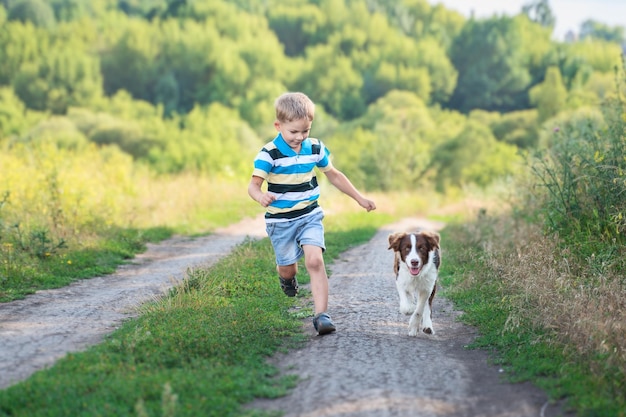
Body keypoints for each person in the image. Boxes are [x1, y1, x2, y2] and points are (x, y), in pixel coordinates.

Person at [248, 92, 376, 335]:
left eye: (305, 131)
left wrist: (360, 198)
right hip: (280, 221)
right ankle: (286, 278)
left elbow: (334, 175)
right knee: (289, 268)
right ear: (279, 125)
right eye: (293, 132)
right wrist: (260, 196)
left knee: (315, 261)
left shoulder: (315, 147)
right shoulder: (269, 153)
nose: (300, 137)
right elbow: (253, 185)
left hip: (309, 215)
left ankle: (322, 316)